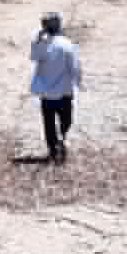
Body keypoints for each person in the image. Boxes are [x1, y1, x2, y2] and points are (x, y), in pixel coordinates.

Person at [29, 11, 84, 163]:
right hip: (64, 91)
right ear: (59, 25)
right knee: (66, 118)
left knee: (48, 122)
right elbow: (75, 67)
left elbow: (33, 58)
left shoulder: (41, 44)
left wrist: (37, 40)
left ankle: (53, 149)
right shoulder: (68, 45)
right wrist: (79, 82)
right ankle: (62, 137)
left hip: (46, 93)